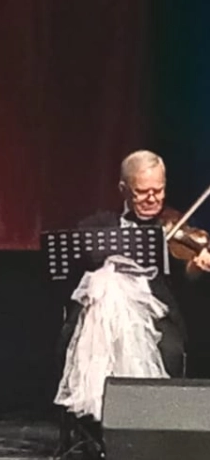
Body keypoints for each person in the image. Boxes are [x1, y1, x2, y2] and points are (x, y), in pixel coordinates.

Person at [68, 151, 210, 376]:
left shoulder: (174, 222)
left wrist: (195, 267)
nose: (152, 199)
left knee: (170, 351)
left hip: (156, 314)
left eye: (159, 190)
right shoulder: (99, 225)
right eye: (142, 192)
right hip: (104, 315)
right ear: (124, 189)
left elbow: (185, 278)